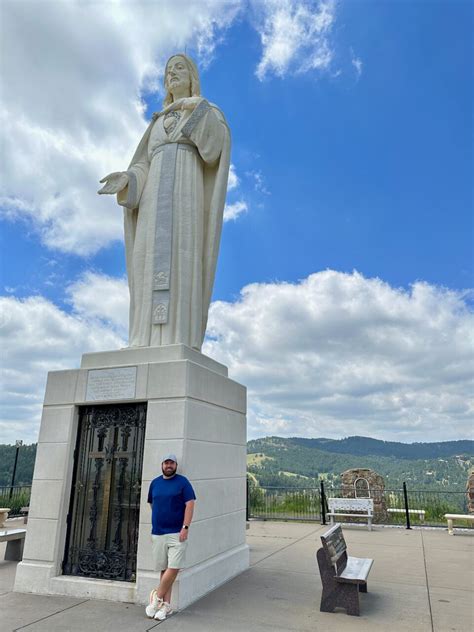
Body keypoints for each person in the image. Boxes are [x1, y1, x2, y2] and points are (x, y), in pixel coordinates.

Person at [98, 54, 231, 350]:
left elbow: (213, 150)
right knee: (146, 259)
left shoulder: (204, 110)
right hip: (153, 197)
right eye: (169, 70)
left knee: (182, 256)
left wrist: (193, 109)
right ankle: (142, 339)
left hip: (185, 191)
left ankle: (179, 336)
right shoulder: (156, 123)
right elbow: (143, 163)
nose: (173, 74)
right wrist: (129, 178)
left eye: (180, 68)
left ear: (192, 76)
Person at [145, 454, 196, 621]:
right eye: (166, 463)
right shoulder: (155, 483)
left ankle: (156, 599)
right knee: (165, 569)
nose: (169, 465)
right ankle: (166, 607)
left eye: (171, 463)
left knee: (174, 567)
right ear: (162, 465)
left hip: (177, 533)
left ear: (175, 465)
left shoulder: (183, 482)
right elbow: (153, 504)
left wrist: (185, 527)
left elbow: (190, 504)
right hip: (158, 532)